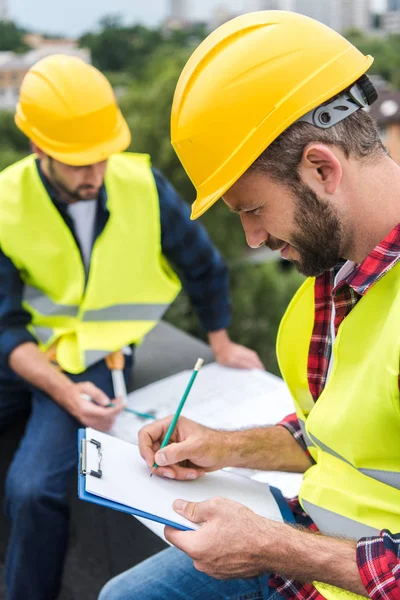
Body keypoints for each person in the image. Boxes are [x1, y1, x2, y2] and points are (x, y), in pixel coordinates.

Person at [99, 10, 400, 600]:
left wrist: (271, 546)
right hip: (311, 542)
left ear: (321, 167)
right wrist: (223, 445)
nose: (253, 241)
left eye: (252, 210)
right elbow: (337, 437)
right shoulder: (339, 281)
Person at [0, 54, 263, 600]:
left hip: (92, 359)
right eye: (78, 162)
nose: (94, 173)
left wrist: (221, 340)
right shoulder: (6, 202)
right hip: (29, 355)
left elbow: (203, 264)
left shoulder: (141, 184)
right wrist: (62, 391)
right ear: (37, 148)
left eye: (102, 157)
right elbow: (7, 330)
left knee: (31, 489)